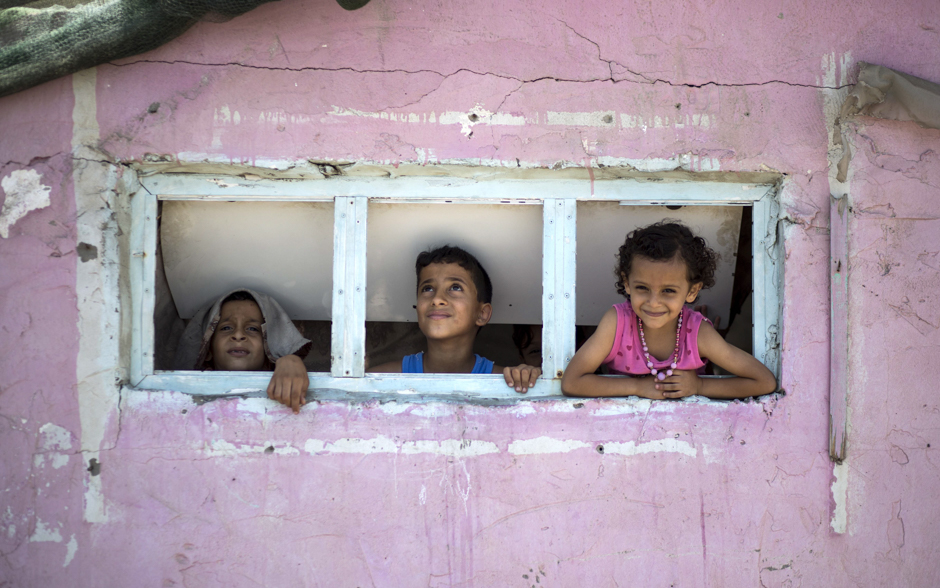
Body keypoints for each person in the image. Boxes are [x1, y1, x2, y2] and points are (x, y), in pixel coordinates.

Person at [561, 222, 776, 399]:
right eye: (642, 288)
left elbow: (764, 382)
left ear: (692, 291)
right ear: (627, 283)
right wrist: (637, 388)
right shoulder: (617, 322)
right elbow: (572, 382)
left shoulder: (698, 333)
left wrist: (700, 386)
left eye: (668, 291)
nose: (654, 302)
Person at [369, 245, 541, 393]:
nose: (437, 299)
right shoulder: (378, 379)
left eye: (455, 287)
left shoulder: (507, 382)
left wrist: (530, 378)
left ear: (482, 314)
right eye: (427, 289)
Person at [173, 289, 311, 413]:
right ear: (208, 349)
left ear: (269, 348)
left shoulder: (287, 366)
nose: (238, 335)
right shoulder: (181, 397)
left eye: (252, 328)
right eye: (226, 328)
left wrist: (290, 360)